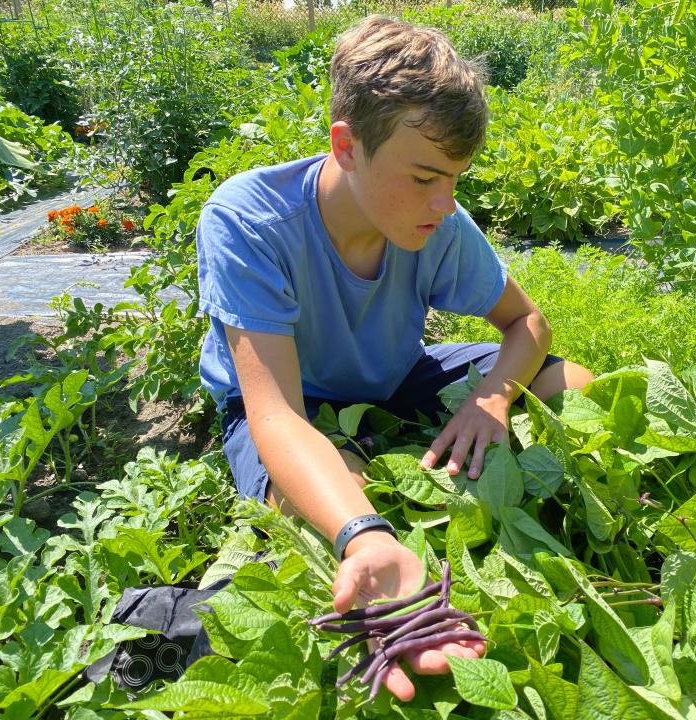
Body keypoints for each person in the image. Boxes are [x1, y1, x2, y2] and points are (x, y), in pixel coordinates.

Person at [195, 15, 594, 701]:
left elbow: (528, 323)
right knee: (331, 490)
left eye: (457, 180)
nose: (444, 204)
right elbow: (279, 415)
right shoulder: (249, 220)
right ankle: (386, 556)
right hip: (298, 398)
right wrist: (364, 535)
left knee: (576, 384)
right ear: (347, 147)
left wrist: (492, 398)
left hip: (395, 371)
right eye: (423, 177)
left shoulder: (440, 221)